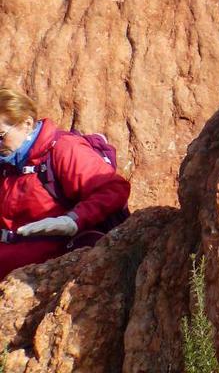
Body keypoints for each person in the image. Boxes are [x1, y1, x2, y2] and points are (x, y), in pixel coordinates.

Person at [0, 88, 130, 279]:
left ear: (27, 123)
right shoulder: (8, 163)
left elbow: (114, 188)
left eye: (0, 136)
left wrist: (73, 220)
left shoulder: (63, 149)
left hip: (48, 267)